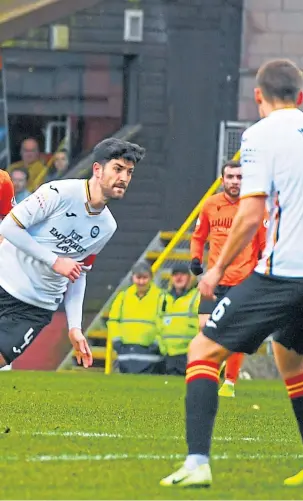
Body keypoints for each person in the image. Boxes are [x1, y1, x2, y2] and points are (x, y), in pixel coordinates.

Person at [160, 58, 303, 489]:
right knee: (291, 360)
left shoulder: (260, 135)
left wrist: (216, 269)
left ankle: (197, 463)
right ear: (301, 96)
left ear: (258, 96)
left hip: (285, 272)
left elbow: (251, 212)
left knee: (202, 350)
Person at [0, 138, 145, 369]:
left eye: (129, 172)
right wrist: (54, 261)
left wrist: (75, 327)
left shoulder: (108, 226)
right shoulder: (58, 192)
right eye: (118, 169)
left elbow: (79, 274)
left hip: (34, 307)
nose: (124, 178)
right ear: (97, 169)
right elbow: (8, 227)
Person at [190, 160, 267, 397]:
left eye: (240, 177)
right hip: (214, 279)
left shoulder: (255, 208)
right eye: (231, 176)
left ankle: (230, 383)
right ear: (222, 179)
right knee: (205, 327)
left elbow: (264, 245)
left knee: (234, 333)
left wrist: (263, 272)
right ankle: (217, 366)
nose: (235, 181)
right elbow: (198, 236)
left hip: (243, 280)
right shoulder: (211, 205)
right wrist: (195, 258)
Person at [108, 261, 164, 375]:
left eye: (145, 278)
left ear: (151, 278)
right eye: (138, 277)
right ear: (132, 278)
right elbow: (113, 320)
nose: (141, 281)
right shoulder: (123, 297)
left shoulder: (161, 297)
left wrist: (157, 343)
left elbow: (165, 322)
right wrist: (117, 341)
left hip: (151, 353)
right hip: (126, 353)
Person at [157, 264, 200, 376]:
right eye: (175, 275)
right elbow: (158, 323)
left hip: (190, 354)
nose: (178, 278)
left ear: (189, 278)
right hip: (169, 354)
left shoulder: (197, 296)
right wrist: (163, 347)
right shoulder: (164, 298)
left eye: (182, 274)